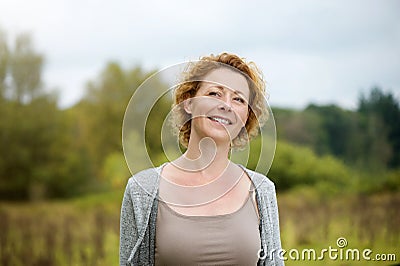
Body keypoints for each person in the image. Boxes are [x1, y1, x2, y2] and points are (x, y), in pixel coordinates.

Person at [119, 52, 284, 265]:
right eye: (215, 93)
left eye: (238, 99)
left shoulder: (261, 190)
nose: (226, 105)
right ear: (188, 104)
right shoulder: (142, 190)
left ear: (246, 117)